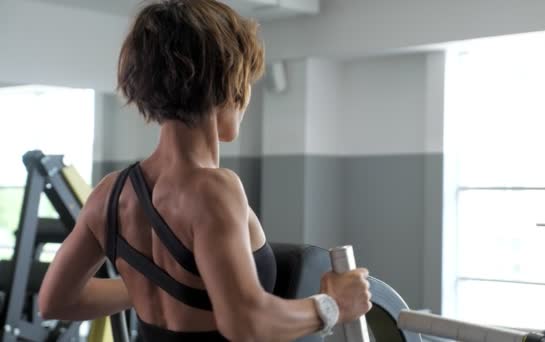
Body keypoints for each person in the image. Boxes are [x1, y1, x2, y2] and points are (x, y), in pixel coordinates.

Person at [38, 0, 371, 341]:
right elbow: (246, 323)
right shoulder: (213, 188)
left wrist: (153, 284)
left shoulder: (109, 195)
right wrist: (333, 305)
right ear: (229, 82)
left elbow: (55, 302)